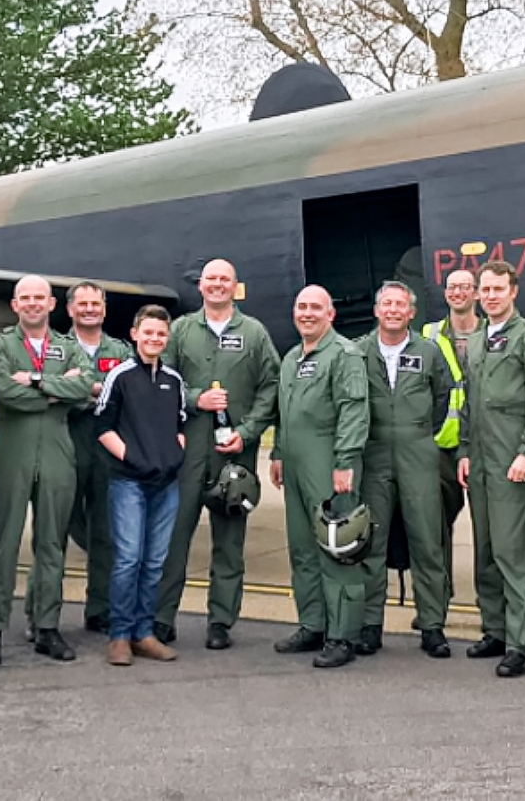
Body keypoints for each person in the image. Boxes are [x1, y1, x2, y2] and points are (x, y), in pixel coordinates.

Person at [224, 285, 370, 668]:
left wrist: (345, 462)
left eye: (315, 308)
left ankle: (343, 635)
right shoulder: (291, 357)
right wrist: (279, 453)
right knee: (304, 549)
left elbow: (353, 411)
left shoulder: (344, 356)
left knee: (336, 548)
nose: (306, 313)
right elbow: (285, 413)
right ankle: (313, 624)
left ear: (330, 314)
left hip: (329, 462)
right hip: (295, 462)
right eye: (301, 307)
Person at [155, 259, 281, 651]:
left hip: (233, 458)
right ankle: (161, 617)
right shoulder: (180, 331)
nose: (217, 285)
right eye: (211, 279)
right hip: (187, 453)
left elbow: (272, 386)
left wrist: (247, 434)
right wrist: (196, 399)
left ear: (235, 286)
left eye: (225, 279)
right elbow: (161, 379)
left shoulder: (255, 333)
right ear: (201, 285)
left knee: (229, 542)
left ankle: (221, 622)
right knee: (174, 538)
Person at [0, 275, 93, 665]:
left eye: (39, 298)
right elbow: (3, 392)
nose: (32, 304)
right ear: (15, 305)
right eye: (24, 298)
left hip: (59, 454)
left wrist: (39, 381)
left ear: (51, 304)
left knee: (51, 545)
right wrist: (56, 393)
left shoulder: (68, 346)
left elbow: (85, 389)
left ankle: (46, 627)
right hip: (12, 454)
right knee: (2, 544)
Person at [460, 260, 525, 679]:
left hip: (513, 460)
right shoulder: (479, 340)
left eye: (498, 289)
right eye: (485, 289)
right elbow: (470, 401)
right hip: (481, 461)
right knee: (486, 550)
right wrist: (465, 449)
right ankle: (496, 629)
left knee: (513, 551)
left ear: (513, 291)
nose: (491, 296)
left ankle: (522, 641)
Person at [357, 281, 459, 657]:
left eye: (401, 305)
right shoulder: (359, 351)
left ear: (411, 313)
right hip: (375, 451)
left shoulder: (429, 352)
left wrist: (420, 433)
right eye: (387, 304)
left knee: (427, 541)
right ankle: (370, 625)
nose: (394, 310)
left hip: (418, 450)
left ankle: (432, 625)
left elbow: (442, 396)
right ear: (377, 310)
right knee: (372, 541)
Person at [94, 305, 189, 666]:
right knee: (128, 559)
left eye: (161, 334)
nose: (154, 339)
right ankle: (119, 635)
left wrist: (175, 455)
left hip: (166, 485)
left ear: (167, 339)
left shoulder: (174, 381)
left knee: (154, 562)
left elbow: (180, 424)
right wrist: (130, 458)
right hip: (129, 483)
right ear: (135, 334)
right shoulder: (120, 376)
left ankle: (143, 632)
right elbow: (102, 426)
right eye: (147, 332)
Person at [66, 281, 136, 635]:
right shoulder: (57, 349)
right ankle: (42, 615)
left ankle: (100, 608)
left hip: (107, 451)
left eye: (96, 303)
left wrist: (77, 388)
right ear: (70, 310)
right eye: (83, 304)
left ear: (105, 310)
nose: (90, 309)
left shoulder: (121, 352)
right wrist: (95, 393)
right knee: (53, 532)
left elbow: (129, 393)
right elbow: (52, 386)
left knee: (105, 535)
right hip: (67, 445)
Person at [420, 268, 478, 606]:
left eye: (464, 287)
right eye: (452, 287)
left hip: (482, 446)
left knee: (489, 531)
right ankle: (437, 600)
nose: (458, 293)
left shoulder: (492, 334)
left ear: (476, 294)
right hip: (441, 446)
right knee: (435, 527)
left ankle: (494, 612)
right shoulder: (428, 335)